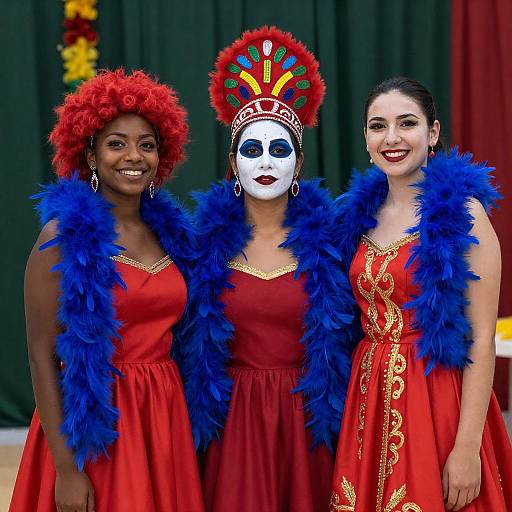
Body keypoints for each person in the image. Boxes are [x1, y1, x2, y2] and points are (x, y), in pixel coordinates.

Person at [176, 26, 355, 512]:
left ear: (298, 165)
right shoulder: (198, 247)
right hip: (231, 428)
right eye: (251, 150)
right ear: (233, 165)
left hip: (310, 426)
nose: (266, 163)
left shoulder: (337, 244)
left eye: (280, 149)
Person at [10, 69, 204, 512]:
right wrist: (66, 468)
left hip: (163, 416)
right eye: (116, 143)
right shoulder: (61, 237)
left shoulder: (173, 236)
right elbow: (41, 355)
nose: (133, 156)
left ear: (162, 156)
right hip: (97, 426)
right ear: (91, 155)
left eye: (147, 144)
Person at [329, 77, 512, 512]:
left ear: (432, 133)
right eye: (378, 126)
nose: (391, 138)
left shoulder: (464, 215)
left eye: (406, 123)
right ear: (366, 138)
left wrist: (466, 449)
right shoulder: (356, 217)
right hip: (368, 397)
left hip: (437, 399)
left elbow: (482, 340)